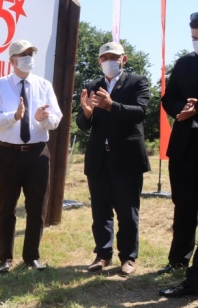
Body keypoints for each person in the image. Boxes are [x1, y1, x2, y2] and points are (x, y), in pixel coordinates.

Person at [0, 39, 62, 274]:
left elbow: (56, 119)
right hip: (8, 153)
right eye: (23, 54)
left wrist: (42, 120)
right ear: (12, 60)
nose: (29, 58)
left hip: (38, 153)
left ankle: (31, 256)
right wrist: (14, 116)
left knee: (37, 207)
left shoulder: (44, 85)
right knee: (7, 207)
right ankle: (5, 258)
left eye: (31, 53)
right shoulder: (0, 86)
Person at [76, 41, 150, 276]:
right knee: (100, 211)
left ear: (123, 59)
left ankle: (128, 257)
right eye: (105, 57)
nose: (109, 61)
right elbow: (82, 123)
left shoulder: (137, 82)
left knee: (127, 211)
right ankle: (102, 254)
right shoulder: (91, 85)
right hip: (99, 158)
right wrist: (87, 113)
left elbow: (139, 112)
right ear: (99, 61)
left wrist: (111, 105)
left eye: (114, 57)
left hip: (127, 158)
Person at [159, 12, 198, 298]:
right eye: (194, 38)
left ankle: (194, 278)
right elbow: (168, 97)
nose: (196, 42)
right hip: (184, 146)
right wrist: (180, 111)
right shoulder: (185, 63)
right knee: (183, 205)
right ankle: (178, 259)